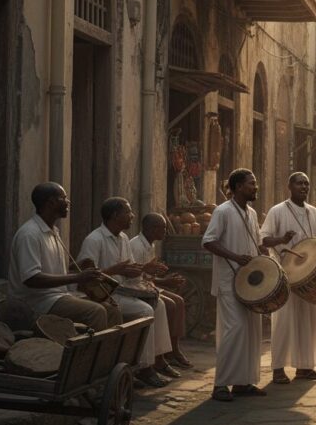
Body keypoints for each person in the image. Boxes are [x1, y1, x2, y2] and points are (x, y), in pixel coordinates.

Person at [78, 197, 175, 387]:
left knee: (160, 304)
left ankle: (156, 360)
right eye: (128, 212)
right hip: (104, 294)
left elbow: (130, 268)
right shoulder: (94, 239)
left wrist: (145, 269)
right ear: (115, 215)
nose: (132, 216)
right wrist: (116, 270)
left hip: (123, 291)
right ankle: (144, 368)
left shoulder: (122, 238)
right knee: (146, 311)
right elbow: (85, 277)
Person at [262, 172, 316, 384]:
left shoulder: (313, 212)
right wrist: (282, 239)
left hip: (310, 277)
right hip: (286, 275)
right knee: (283, 322)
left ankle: (305, 367)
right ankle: (278, 369)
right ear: (290, 186)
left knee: (310, 321)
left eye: (307, 184)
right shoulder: (277, 211)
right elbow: (263, 239)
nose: (304, 187)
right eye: (300, 183)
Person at [7, 183, 123, 332]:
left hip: (58, 296)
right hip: (37, 301)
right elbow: (31, 278)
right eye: (64, 198)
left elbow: (48, 268)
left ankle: (110, 354)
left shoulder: (53, 231)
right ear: (51, 202)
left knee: (112, 310)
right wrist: (78, 278)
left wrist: (75, 266)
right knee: (95, 311)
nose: (68, 202)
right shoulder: (29, 234)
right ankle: (88, 355)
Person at [202, 168, 268, 401]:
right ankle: (220, 385)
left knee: (251, 331)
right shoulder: (223, 211)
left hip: (250, 284)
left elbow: (258, 244)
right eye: (252, 183)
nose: (255, 187)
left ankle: (243, 382)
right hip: (229, 281)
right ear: (238, 186)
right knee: (234, 329)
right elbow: (208, 242)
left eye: (255, 183)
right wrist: (235, 257)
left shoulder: (251, 213)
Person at [129, 213, 194, 369]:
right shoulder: (136, 246)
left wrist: (161, 275)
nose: (165, 231)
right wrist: (164, 281)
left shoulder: (150, 244)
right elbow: (137, 277)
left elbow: (148, 275)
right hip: (136, 288)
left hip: (148, 286)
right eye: (163, 228)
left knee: (179, 301)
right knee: (170, 305)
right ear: (151, 229)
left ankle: (174, 349)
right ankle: (161, 354)